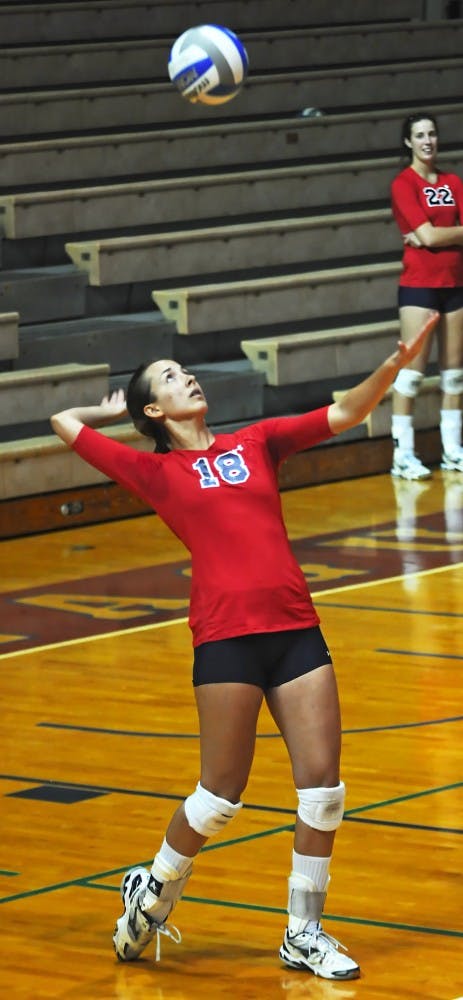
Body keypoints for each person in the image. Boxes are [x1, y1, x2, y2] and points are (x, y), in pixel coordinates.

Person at [50, 311, 437, 982]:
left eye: (185, 371)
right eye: (171, 378)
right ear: (153, 407)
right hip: (225, 637)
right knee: (220, 795)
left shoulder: (254, 442)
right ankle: (155, 884)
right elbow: (63, 422)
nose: (188, 377)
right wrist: (106, 408)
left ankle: (302, 932)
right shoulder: (154, 473)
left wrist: (394, 364)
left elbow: (344, 411)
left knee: (323, 791)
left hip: (294, 629)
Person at [390, 111, 463, 480]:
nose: (427, 140)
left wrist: (431, 233)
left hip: (456, 285)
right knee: (412, 375)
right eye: (419, 135)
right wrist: (438, 233)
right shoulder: (404, 183)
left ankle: (452, 451)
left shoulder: (453, 181)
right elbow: (430, 237)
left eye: (432, 133)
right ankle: (402, 454)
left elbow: (431, 236)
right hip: (419, 286)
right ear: (409, 142)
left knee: (455, 377)